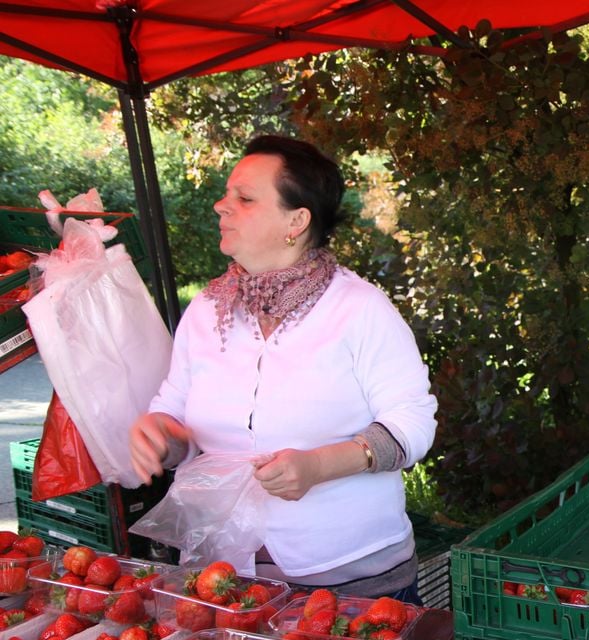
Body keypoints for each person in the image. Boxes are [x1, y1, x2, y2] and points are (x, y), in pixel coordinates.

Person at [129, 134, 437, 600]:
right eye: (227, 194)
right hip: (229, 577)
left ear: (296, 220)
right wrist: (161, 435)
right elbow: (174, 412)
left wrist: (318, 465)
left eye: (245, 198)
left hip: (352, 582)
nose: (221, 206)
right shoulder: (208, 311)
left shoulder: (359, 309)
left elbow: (413, 423)